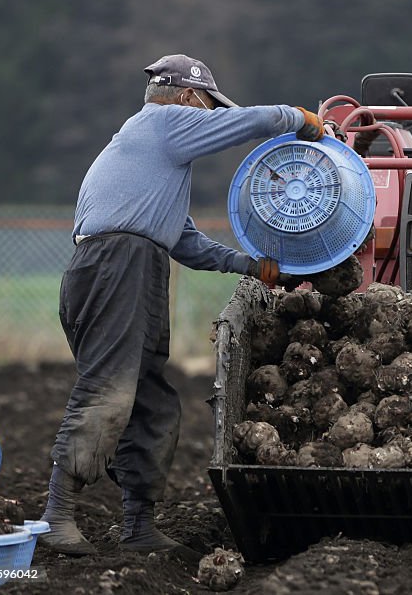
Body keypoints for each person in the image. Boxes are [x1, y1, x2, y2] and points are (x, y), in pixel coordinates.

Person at [39, 54, 325, 560]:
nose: (208, 116)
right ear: (190, 98)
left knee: (151, 402)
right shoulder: (161, 124)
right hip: (116, 266)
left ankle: (138, 526)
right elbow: (249, 121)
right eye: (208, 106)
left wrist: (254, 267)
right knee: (108, 390)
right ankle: (55, 516)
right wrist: (298, 119)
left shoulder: (149, 164)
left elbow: (187, 243)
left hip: (127, 266)